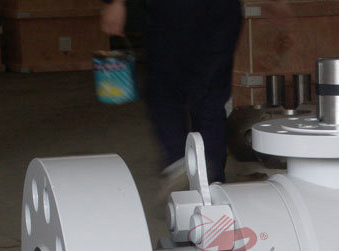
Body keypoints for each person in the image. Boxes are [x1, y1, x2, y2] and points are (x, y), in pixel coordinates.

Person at [101, 0, 242, 184]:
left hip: (174, 11)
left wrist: (114, 3)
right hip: (222, 10)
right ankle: (211, 179)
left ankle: (179, 159)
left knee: (163, 89)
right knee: (209, 96)